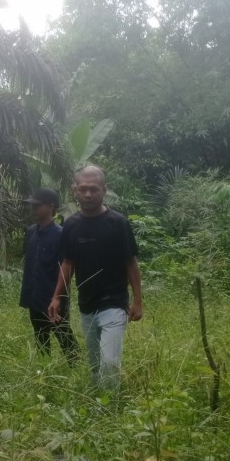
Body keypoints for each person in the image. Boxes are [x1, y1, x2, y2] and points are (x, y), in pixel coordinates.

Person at [48, 166, 142, 389]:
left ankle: (110, 411)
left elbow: (130, 262)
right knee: (94, 364)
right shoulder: (71, 224)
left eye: (94, 189)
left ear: (104, 190)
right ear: (75, 191)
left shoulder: (118, 223)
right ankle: (97, 405)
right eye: (83, 189)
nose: (88, 194)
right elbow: (68, 263)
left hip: (114, 303)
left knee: (109, 363)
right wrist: (56, 297)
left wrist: (137, 300)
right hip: (87, 305)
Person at [19, 187, 79, 364]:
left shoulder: (61, 235)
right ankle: (44, 369)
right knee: (40, 335)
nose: (33, 210)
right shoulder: (30, 232)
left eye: (37, 206)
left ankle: (75, 365)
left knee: (63, 334)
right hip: (34, 294)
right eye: (32, 206)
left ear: (51, 206)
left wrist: (58, 297)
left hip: (53, 297)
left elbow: (66, 268)